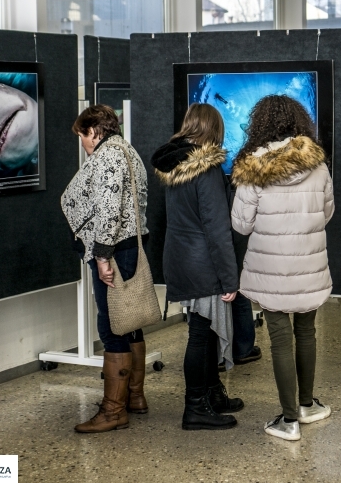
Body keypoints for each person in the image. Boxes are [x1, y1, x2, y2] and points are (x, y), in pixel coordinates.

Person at [231, 95, 334, 441]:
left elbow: (242, 225)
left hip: (269, 267)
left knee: (280, 341)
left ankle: (289, 421)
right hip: (310, 263)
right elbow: (327, 212)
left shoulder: (251, 168)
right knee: (306, 332)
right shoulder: (318, 164)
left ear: (259, 124)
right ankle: (306, 405)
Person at [150, 103, 244, 431]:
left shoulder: (176, 165)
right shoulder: (206, 169)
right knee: (201, 335)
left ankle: (213, 394)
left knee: (202, 331)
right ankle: (195, 407)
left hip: (179, 257)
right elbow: (217, 228)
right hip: (203, 261)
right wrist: (230, 278)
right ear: (213, 130)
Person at [61, 105, 150, 433]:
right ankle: (134, 397)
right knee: (129, 321)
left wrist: (101, 256)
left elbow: (109, 210)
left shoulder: (108, 156)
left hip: (115, 249)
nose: (83, 143)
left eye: (83, 135)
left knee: (112, 327)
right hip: (128, 246)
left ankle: (113, 410)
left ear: (94, 131)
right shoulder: (128, 150)